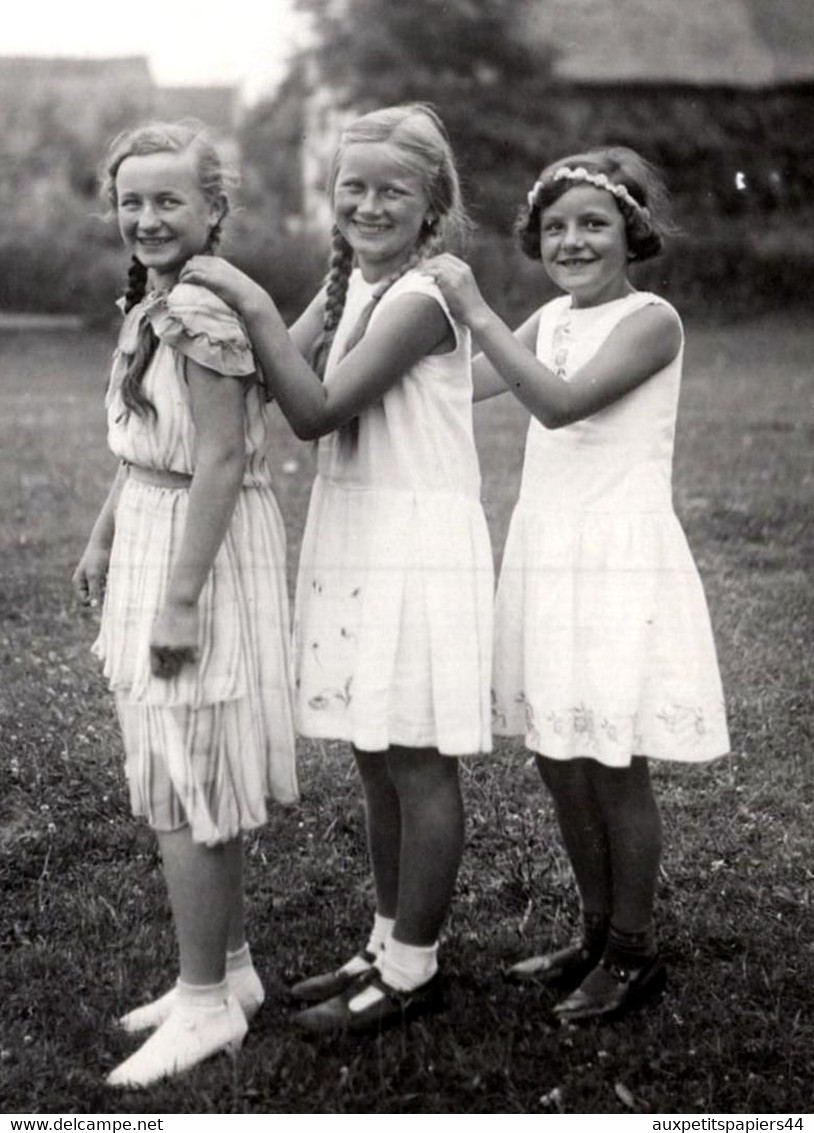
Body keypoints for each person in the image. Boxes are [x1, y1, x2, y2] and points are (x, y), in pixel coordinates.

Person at [181, 104, 493, 1034]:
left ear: (433, 203)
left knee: (417, 757)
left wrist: (242, 296)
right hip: (357, 529)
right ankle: (385, 936)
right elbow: (266, 369)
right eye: (350, 186)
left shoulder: (422, 301)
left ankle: (416, 965)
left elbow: (311, 408)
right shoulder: (359, 278)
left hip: (414, 541)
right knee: (374, 751)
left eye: (391, 189)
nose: (366, 203)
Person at [425, 147, 729, 1022]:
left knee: (612, 758)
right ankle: (594, 930)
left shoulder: (652, 320)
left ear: (632, 232)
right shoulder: (550, 316)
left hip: (616, 558)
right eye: (554, 227)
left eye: (593, 222)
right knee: (558, 756)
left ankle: (635, 948)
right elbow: (469, 386)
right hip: (547, 550)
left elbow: (558, 403)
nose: (572, 241)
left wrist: (478, 309)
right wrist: (392, 349)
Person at [73, 121, 298, 1085]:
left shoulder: (203, 309)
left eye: (171, 201)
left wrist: (178, 600)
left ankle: (205, 1000)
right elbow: (151, 446)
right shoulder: (158, 297)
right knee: (169, 762)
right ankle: (231, 971)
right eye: (133, 201)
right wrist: (104, 531)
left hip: (197, 553)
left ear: (214, 209)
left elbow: (218, 458)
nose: (148, 217)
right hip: (158, 534)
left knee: (191, 768)